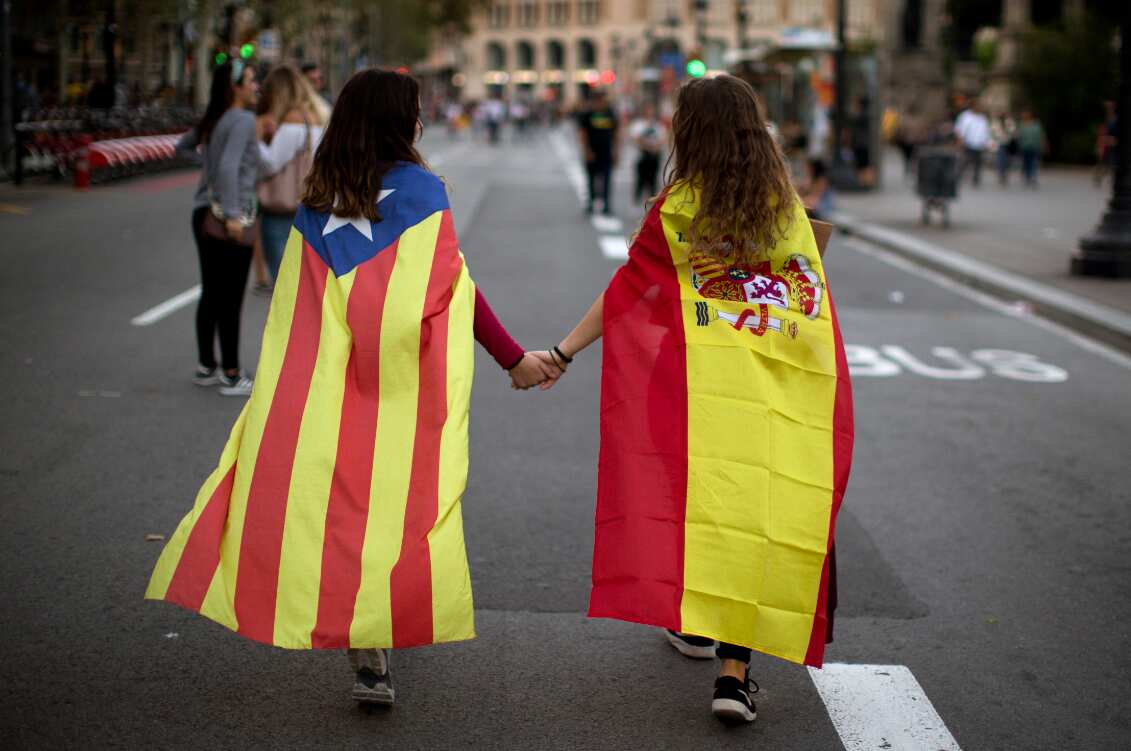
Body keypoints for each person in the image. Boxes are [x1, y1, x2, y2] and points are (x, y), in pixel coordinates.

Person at [146, 68, 560, 708]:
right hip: (397, 385)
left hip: (320, 384)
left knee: (330, 507)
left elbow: (299, 305)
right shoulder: (424, 193)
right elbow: (452, 292)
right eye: (416, 110)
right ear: (403, 121)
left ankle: (365, 650)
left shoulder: (320, 197)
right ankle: (374, 628)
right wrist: (512, 358)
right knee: (392, 509)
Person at [541, 75, 853, 726]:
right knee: (763, 520)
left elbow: (630, 292)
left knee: (709, 511)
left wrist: (563, 352)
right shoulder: (783, 204)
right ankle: (733, 675)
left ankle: (694, 617)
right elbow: (810, 291)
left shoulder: (680, 206)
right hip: (783, 392)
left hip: (703, 396)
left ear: (690, 132)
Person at [175, 60, 260, 397]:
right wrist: (235, 216)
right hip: (226, 219)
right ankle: (231, 373)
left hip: (202, 214)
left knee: (211, 292)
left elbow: (181, 147)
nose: (256, 86)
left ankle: (206, 366)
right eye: (251, 81)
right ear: (234, 88)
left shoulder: (215, 119)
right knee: (231, 296)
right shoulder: (241, 119)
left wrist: (205, 169)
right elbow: (228, 166)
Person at [255, 64, 329, 283]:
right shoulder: (316, 119)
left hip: (281, 210)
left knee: (283, 284)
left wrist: (257, 138)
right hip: (309, 207)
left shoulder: (291, 123)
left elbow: (270, 164)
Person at [577, 90, 619, 215]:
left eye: (602, 99)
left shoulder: (610, 113)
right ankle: (590, 202)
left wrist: (616, 151)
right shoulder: (588, 114)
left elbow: (617, 133)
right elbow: (583, 133)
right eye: (598, 99)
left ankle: (606, 204)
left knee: (606, 179)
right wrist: (587, 150)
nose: (601, 102)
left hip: (606, 152)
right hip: (592, 152)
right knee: (591, 179)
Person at [629, 101, 668, 205]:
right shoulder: (638, 124)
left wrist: (655, 147)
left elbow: (663, 138)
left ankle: (652, 199)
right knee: (641, 179)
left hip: (655, 156)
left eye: (651, 109)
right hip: (642, 157)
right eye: (647, 109)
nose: (649, 112)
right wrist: (648, 146)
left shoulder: (658, 125)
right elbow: (635, 138)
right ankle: (638, 199)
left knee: (653, 179)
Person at [955, 97, 991, 187]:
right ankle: (958, 178)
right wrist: (960, 139)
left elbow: (986, 131)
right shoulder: (965, 116)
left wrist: (987, 142)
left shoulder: (982, 118)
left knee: (978, 162)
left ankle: (976, 179)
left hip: (979, 143)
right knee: (965, 161)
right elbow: (959, 128)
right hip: (968, 142)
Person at [1016, 108, 1046, 189]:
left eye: (1026, 114)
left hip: (1035, 146)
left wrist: (1044, 144)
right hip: (1024, 147)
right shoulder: (1021, 125)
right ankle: (1027, 177)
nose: (1025, 115)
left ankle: (1033, 177)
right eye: (1024, 114)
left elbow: (1041, 135)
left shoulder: (1036, 124)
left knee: (1034, 162)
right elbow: (1018, 137)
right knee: (1026, 163)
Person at [991, 111, 1017, 186]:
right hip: (999, 144)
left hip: (1008, 144)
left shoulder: (1009, 122)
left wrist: (1008, 128)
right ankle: (1001, 175)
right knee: (1000, 160)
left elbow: (1013, 131)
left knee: (1007, 160)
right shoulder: (995, 123)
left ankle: (1005, 173)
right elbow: (993, 133)